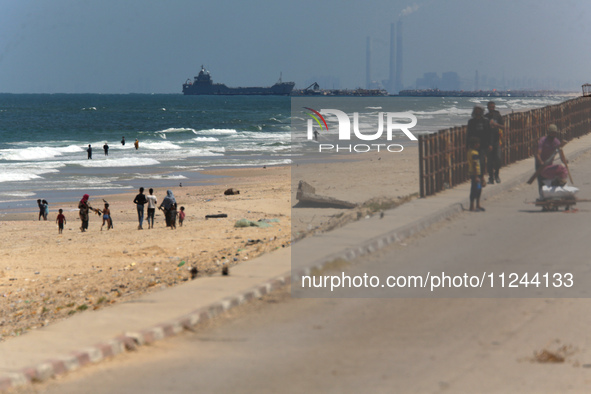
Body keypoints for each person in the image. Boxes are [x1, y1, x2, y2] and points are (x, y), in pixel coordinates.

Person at [535, 124, 569, 193]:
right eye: (552, 133)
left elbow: (561, 155)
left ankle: (555, 191)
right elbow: (538, 154)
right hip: (540, 165)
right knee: (541, 183)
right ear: (549, 132)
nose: (553, 135)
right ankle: (542, 196)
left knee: (558, 172)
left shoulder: (556, 142)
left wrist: (565, 161)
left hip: (549, 165)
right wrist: (541, 162)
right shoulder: (543, 141)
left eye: (554, 133)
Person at [466, 106, 490, 178]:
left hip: (483, 144)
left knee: (482, 161)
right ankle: (475, 176)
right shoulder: (471, 121)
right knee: (473, 161)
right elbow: (468, 134)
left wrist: (489, 144)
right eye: (476, 110)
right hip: (473, 145)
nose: (477, 111)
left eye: (479, 110)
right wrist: (467, 144)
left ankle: (481, 176)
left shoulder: (486, 121)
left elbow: (489, 133)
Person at [485, 101, 504, 184]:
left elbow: (503, 126)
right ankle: (490, 177)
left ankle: (497, 175)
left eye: (493, 107)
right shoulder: (485, 117)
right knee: (489, 161)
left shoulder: (498, 116)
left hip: (497, 141)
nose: (491, 108)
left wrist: (496, 125)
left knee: (498, 159)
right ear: (488, 107)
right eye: (490, 107)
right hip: (488, 141)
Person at [467, 137, 486, 212]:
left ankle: (477, 205)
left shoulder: (469, 151)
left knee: (478, 188)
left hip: (476, 174)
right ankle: (472, 206)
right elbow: (475, 165)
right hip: (475, 174)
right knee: (475, 189)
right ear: (475, 144)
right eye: (478, 144)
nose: (479, 145)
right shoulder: (474, 153)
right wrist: (476, 177)